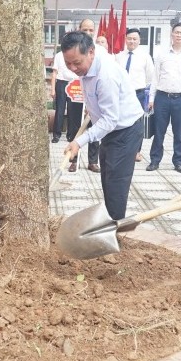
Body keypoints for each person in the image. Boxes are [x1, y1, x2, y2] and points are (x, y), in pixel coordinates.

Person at [61, 31, 145, 220]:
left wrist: (79, 142)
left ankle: (115, 232)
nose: (73, 68)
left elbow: (110, 119)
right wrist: (92, 108)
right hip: (109, 129)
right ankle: (110, 222)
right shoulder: (87, 60)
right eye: (68, 63)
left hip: (126, 130)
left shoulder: (106, 75)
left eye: (77, 63)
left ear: (91, 52)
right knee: (107, 179)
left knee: (116, 183)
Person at [146, 22, 181, 173]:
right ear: (171, 34)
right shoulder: (162, 54)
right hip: (162, 98)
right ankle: (154, 160)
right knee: (159, 131)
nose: (178, 35)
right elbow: (155, 79)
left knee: (179, 132)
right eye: (176, 32)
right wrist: (151, 99)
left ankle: (178, 161)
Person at [66, 19, 102, 173]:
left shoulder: (99, 51)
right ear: (79, 30)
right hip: (76, 94)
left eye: (91, 30)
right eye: (85, 30)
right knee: (75, 126)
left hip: (94, 96)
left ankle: (93, 161)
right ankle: (73, 159)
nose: (88, 33)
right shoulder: (69, 49)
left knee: (95, 125)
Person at [115, 27, 154, 162]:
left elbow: (150, 77)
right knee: (121, 120)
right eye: (129, 38)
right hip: (121, 94)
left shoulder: (145, 57)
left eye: (135, 39)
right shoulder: (119, 56)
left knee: (137, 122)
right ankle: (122, 148)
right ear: (125, 39)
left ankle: (136, 151)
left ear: (139, 40)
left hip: (138, 93)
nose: (132, 41)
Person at [50, 41, 79, 144]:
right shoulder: (59, 55)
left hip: (75, 84)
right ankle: (56, 135)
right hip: (61, 83)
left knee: (73, 111)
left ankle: (71, 135)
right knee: (59, 110)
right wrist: (52, 89)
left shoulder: (77, 52)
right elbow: (54, 73)